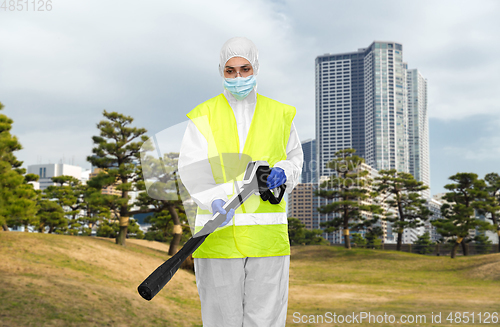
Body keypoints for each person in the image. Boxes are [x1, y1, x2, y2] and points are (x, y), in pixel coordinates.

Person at [178, 37, 303, 327]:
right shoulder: (203, 115)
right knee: (221, 320)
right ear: (221, 71)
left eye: (244, 69)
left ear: (255, 68)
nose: (238, 77)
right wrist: (213, 199)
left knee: (266, 320)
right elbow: (190, 168)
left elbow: (295, 159)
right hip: (218, 234)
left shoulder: (281, 114)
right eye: (230, 70)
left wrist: (284, 171)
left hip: (267, 240)